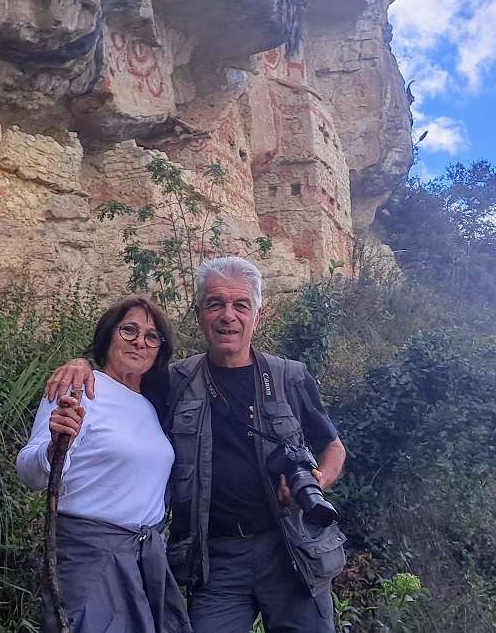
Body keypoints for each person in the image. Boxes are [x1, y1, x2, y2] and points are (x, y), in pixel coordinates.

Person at [45, 257, 348, 633]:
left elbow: (333, 447)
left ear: (258, 314)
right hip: (214, 559)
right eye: (215, 303)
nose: (228, 316)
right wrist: (79, 364)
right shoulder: (175, 381)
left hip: (291, 548)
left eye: (241, 305)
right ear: (200, 313)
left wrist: (317, 480)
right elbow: (123, 378)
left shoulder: (290, 376)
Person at [17, 297, 192, 633]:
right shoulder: (79, 389)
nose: (140, 341)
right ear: (108, 335)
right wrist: (54, 447)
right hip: (90, 558)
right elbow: (30, 472)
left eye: (152, 336)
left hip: (145, 560)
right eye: (129, 330)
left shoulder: (152, 405)